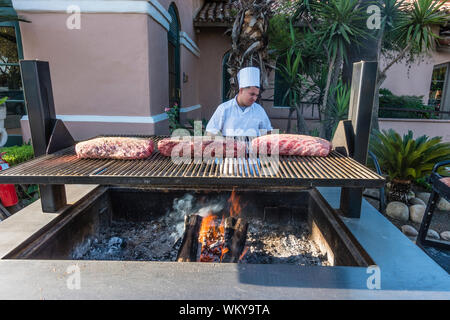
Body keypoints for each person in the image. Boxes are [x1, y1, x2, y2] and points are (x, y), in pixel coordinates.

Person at [205, 67, 272, 137]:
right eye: (252, 94)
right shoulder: (224, 109)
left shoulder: (259, 110)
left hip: (252, 147)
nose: (255, 98)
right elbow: (210, 133)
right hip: (229, 147)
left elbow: (268, 133)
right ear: (241, 90)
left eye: (256, 95)